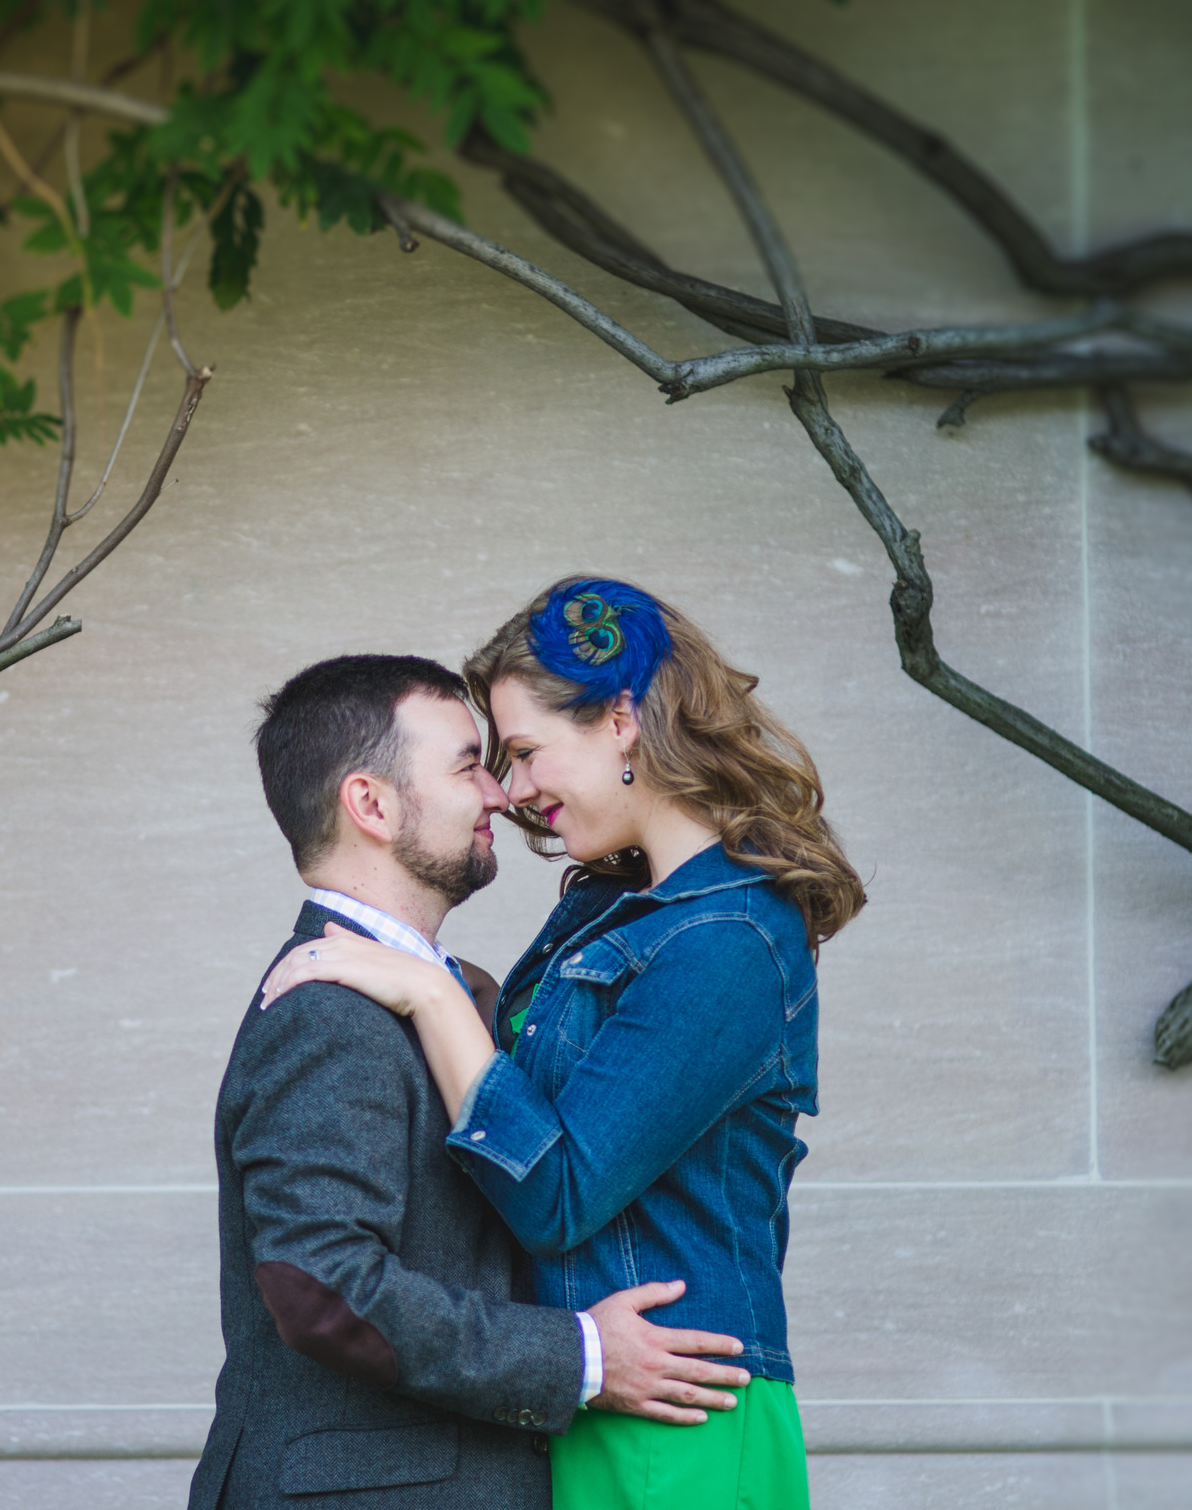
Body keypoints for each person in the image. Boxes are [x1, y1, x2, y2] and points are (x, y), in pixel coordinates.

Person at [261, 582, 865, 1510]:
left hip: (682, 1400)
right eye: (494, 762)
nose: (513, 790)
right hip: (598, 1397)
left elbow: (556, 1189)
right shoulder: (601, 909)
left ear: (622, 720)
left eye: (527, 752)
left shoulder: (730, 939)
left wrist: (429, 989)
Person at [191, 654, 756, 1510]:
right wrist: (583, 1357)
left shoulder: (443, 996)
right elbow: (318, 1282)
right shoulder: (326, 1014)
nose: (501, 795)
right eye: (467, 765)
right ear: (371, 805)